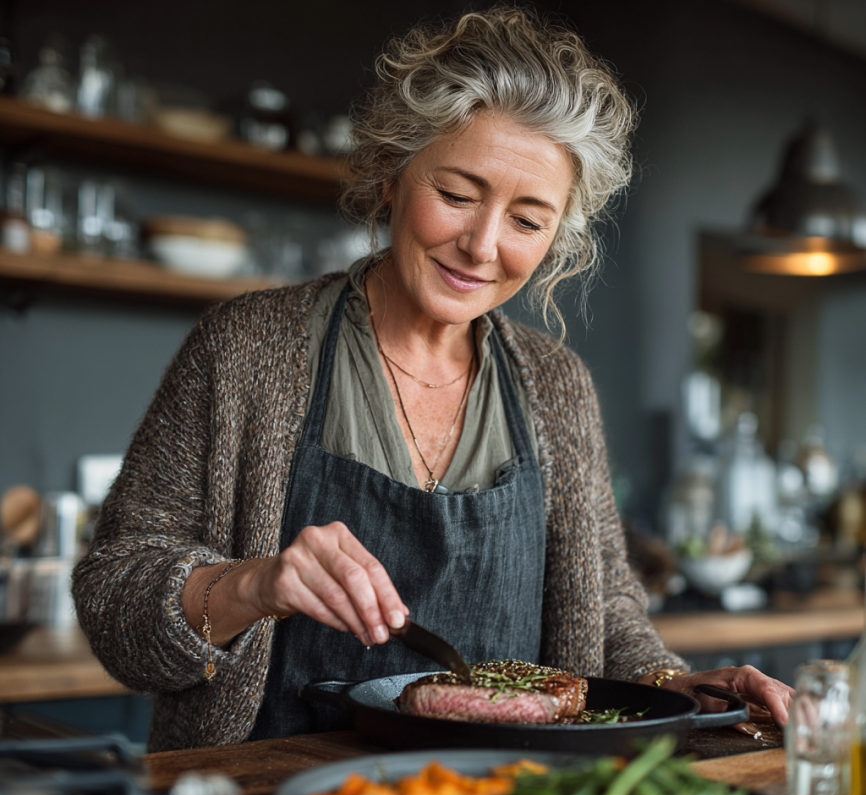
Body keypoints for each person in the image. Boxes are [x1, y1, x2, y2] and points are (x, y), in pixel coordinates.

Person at [73, 7, 793, 752]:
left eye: (526, 219)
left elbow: (604, 617)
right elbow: (113, 599)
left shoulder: (557, 386)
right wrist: (253, 586)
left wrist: (675, 688)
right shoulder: (246, 349)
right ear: (391, 174)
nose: (482, 246)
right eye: (456, 194)